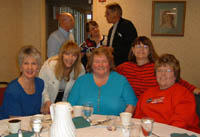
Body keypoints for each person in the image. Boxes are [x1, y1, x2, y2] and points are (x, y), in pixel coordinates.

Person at [134, 54, 200, 133]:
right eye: (160, 70)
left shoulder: (184, 94)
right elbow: (137, 119)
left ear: (175, 75)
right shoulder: (147, 93)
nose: (163, 74)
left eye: (168, 70)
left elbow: (179, 124)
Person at [116, 36, 200, 99]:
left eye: (145, 47)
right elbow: (109, 76)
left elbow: (178, 80)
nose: (141, 49)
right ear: (133, 50)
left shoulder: (157, 67)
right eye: (138, 46)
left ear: (150, 51)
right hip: (130, 106)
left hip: (152, 104)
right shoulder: (124, 67)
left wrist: (195, 90)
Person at [67, 47, 138, 116]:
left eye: (104, 61)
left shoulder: (121, 81)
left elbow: (131, 104)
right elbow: (70, 106)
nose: (100, 65)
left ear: (110, 64)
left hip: (113, 125)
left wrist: (123, 122)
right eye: (97, 62)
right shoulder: (81, 81)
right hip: (85, 124)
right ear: (91, 64)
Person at [39, 41, 85, 114]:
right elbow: (42, 85)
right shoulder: (50, 65)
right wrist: (46, 101)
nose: (70, 58)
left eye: (74, 55)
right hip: (48, 101)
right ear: (62, 54)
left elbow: (79, 91)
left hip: (66, 105)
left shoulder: (80, 69)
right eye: (67, 54)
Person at [0, 46, 44, 119]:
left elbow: (34, 111)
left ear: (38, 67)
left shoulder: (40, 83)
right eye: (26, 63)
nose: (30, 67)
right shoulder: (12, 90)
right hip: (8, 126)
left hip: (30, 125)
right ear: (20, 67)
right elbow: (15, 121)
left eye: (33, 63)